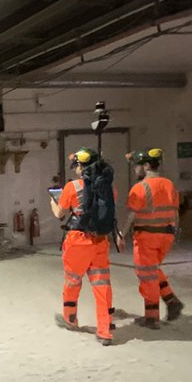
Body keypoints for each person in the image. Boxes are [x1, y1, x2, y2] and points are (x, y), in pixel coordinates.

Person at [50, 148, 119, 346]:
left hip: (78, 240)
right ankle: (105, 331)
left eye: (76, 166)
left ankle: (71, 319)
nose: (75, 170)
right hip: (100, 240)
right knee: (102, 285)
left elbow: (59, 214)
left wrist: (53, 203)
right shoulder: (108, 188)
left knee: (72, 281)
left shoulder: (72, 187)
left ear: (81, 167)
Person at [123, 148, 184, 329]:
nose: (135, 170)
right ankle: (171, 301)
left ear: (147, 166)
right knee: (153, 270)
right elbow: (175, 211)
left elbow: (132, 215)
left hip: (147, 236)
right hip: (166, 235)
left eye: (137, 166)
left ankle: (152, 317)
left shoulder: (140, 187)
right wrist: (176, 232)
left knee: (146, 275)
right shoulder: (169, 184)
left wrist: (122, 233)